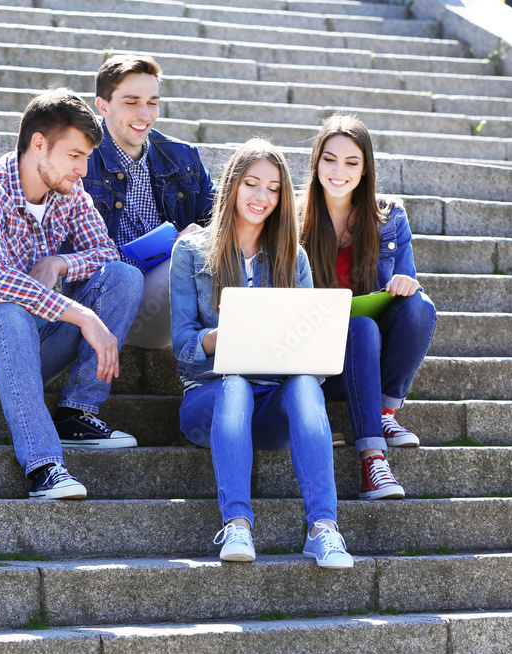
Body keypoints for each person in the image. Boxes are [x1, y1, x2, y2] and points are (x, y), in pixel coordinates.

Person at [0, 88, 143, 501]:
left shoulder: (70, 195)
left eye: (87, 157)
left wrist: (60, 264)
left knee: (123, 278)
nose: (83, 168)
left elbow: (105, 253)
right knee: (9, 313)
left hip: (32, 345)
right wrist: (84, 316)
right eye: (75, 155)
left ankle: (77, 412)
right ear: (39, 144)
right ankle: (44, 465)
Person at [171, 138, 354, 569]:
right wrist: (227, 334)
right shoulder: (192, 252)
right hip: (209, 398)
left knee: (308, 384)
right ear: (232, 186)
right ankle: (237, 524)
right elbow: (182, 348)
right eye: (252, 184)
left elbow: (312, 353)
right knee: (234, 381)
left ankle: (323, 529)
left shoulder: (295, 258)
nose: (262, 197)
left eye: (273, 189)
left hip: (273, 401)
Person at [300, 114, 437, 501]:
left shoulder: (390, 215)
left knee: (418, 307)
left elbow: (407, 285)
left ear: (365, 169)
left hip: (370, 360)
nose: (338, 171)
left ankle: (384, 414)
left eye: (351, 162)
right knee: (360, 327)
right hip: (317, 366)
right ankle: (372, 461)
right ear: (316, 163)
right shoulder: (294, 219)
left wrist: (405, 283)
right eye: (329, 159)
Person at [84, 54, 217, 349]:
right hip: (106, 307)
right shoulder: (80, 161)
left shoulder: (182, 157)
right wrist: (178, 246)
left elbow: (227, 221)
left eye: (153, 102)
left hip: (173, 305)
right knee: (178, 259)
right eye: (131, 102)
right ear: (102, 106)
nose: (145, 114)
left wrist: (201, 237)